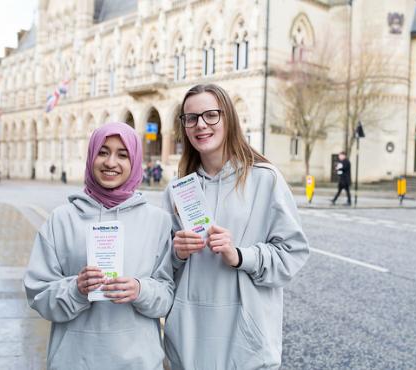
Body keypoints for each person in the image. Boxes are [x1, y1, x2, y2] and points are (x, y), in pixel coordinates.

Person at [162, 84, 309, 369]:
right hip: (189, 346)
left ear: (228, 118)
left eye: (211, 115)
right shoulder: (178, 190)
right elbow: (161, 269)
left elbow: (293, 254)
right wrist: (176, 253)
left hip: (246, 350)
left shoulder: (266, 179)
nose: (200, 124)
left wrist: (240, 256)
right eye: (191, 118)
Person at [24, 122, 174, 370]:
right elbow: (38, 293)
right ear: (91, 155)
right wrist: (76, 289)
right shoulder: (61, 219)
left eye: (122, 154)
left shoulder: (158, 221)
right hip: (74, 361)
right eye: (103, 152)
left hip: (139, 362)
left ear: (135, 160)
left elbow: (168, 295)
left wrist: (140, 290)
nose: (110, 162)